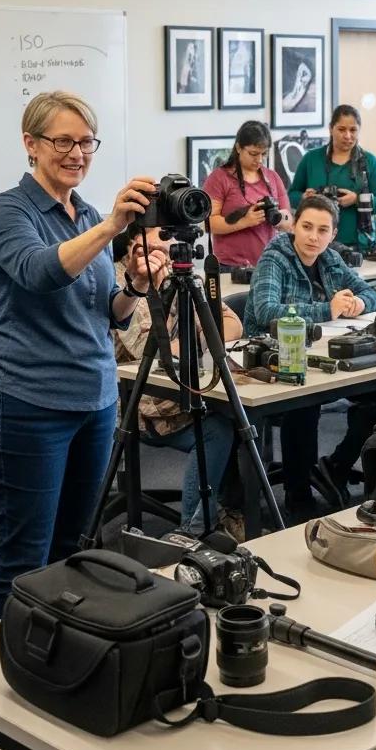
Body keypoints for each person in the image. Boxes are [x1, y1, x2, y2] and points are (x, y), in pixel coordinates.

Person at [0, 91, 164, 750]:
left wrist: (136, 285)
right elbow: (38, 273)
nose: (78, 152)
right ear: (31, 144)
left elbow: (106, 310)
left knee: (69, 552)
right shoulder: (11, 210)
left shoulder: (85, 215)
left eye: (87, 141)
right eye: (63, 141)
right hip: (27, 404)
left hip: (93, 400)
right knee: (21, 555)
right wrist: (113, 227)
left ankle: (47, 675)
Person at [244, 195, 376, 521]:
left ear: (333, 234)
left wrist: (359, 304)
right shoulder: (275, 257)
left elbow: (374, 294)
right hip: (272, 361)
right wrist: (327, 309)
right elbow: (265, 312)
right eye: (306, 227)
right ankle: (298, 492)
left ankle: (336, 465)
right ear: (294, 225)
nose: (313, 237)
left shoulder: (330, 258)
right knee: (304, 403)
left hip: (324, 355)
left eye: (322, 230)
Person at [112, 226, 246, 539]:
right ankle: (193, 531)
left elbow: (230, 323)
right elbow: (151, 350)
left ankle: (227, 511)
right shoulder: (123, 284)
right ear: (135, 244)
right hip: (143, 402)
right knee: (217, 429)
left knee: (239, 417)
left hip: (190, 389)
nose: (169, 244)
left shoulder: (182, 274)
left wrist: (196, 342)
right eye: (160, 236)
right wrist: (202, 340)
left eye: (170, 237)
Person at [288, 104, 376, 252]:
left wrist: (356, 199)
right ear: (331, 129)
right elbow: (291, 195)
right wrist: (304, 197)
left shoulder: (370, 161)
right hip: (317, 246)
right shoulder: (311, 159)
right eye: (341, 129)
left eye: (353, 130)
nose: (347, 136)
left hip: (359, 247)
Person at [202, 120, 291, 268]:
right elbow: (208, 224)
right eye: (253, 154)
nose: (259, 160)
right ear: (238, 148)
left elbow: (288, 220)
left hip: (268, 264)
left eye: (264, 154)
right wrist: (246, 221)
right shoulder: (219, 178)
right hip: (230, 266)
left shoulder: (273, 177)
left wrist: (278, 217)